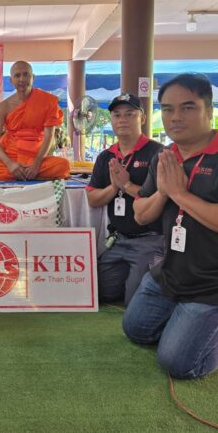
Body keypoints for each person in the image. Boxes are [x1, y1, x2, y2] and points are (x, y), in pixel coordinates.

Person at [125, 73, 218, 379]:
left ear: (209, 110)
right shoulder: (164, 157)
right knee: (135, 329)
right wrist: (164, 192)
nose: (175, 117)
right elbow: (140, 215)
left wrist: (180, 194)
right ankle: (189, 321)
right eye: (167, 109)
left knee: (179, 363)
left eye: (187, 107)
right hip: (171, 272)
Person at [86, 94, 164, 305]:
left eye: (130, 114)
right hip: (119, 239)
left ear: (142, 118)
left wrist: (127, 185)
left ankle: (150, 275)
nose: (122, 120)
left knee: (136, 301)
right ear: (111, 120)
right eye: (117, 115)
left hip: (151, 239)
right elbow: (92, 198)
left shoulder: (158, 153)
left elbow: (162, 198)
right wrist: (114, 187)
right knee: (95, 291)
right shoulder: (105, 156)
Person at [0, 61, 70, 180]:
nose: (22, 79)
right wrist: (10, 164)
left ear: (32, 77)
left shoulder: (47, 101)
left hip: (36, 156)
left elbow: (49, 136)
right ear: (11, 80)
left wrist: (37, 164)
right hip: (10, 155)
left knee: (63, 166)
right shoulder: (4, 106)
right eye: (17, 75)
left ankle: (23, 174)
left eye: (26, 74)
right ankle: (26, 174)